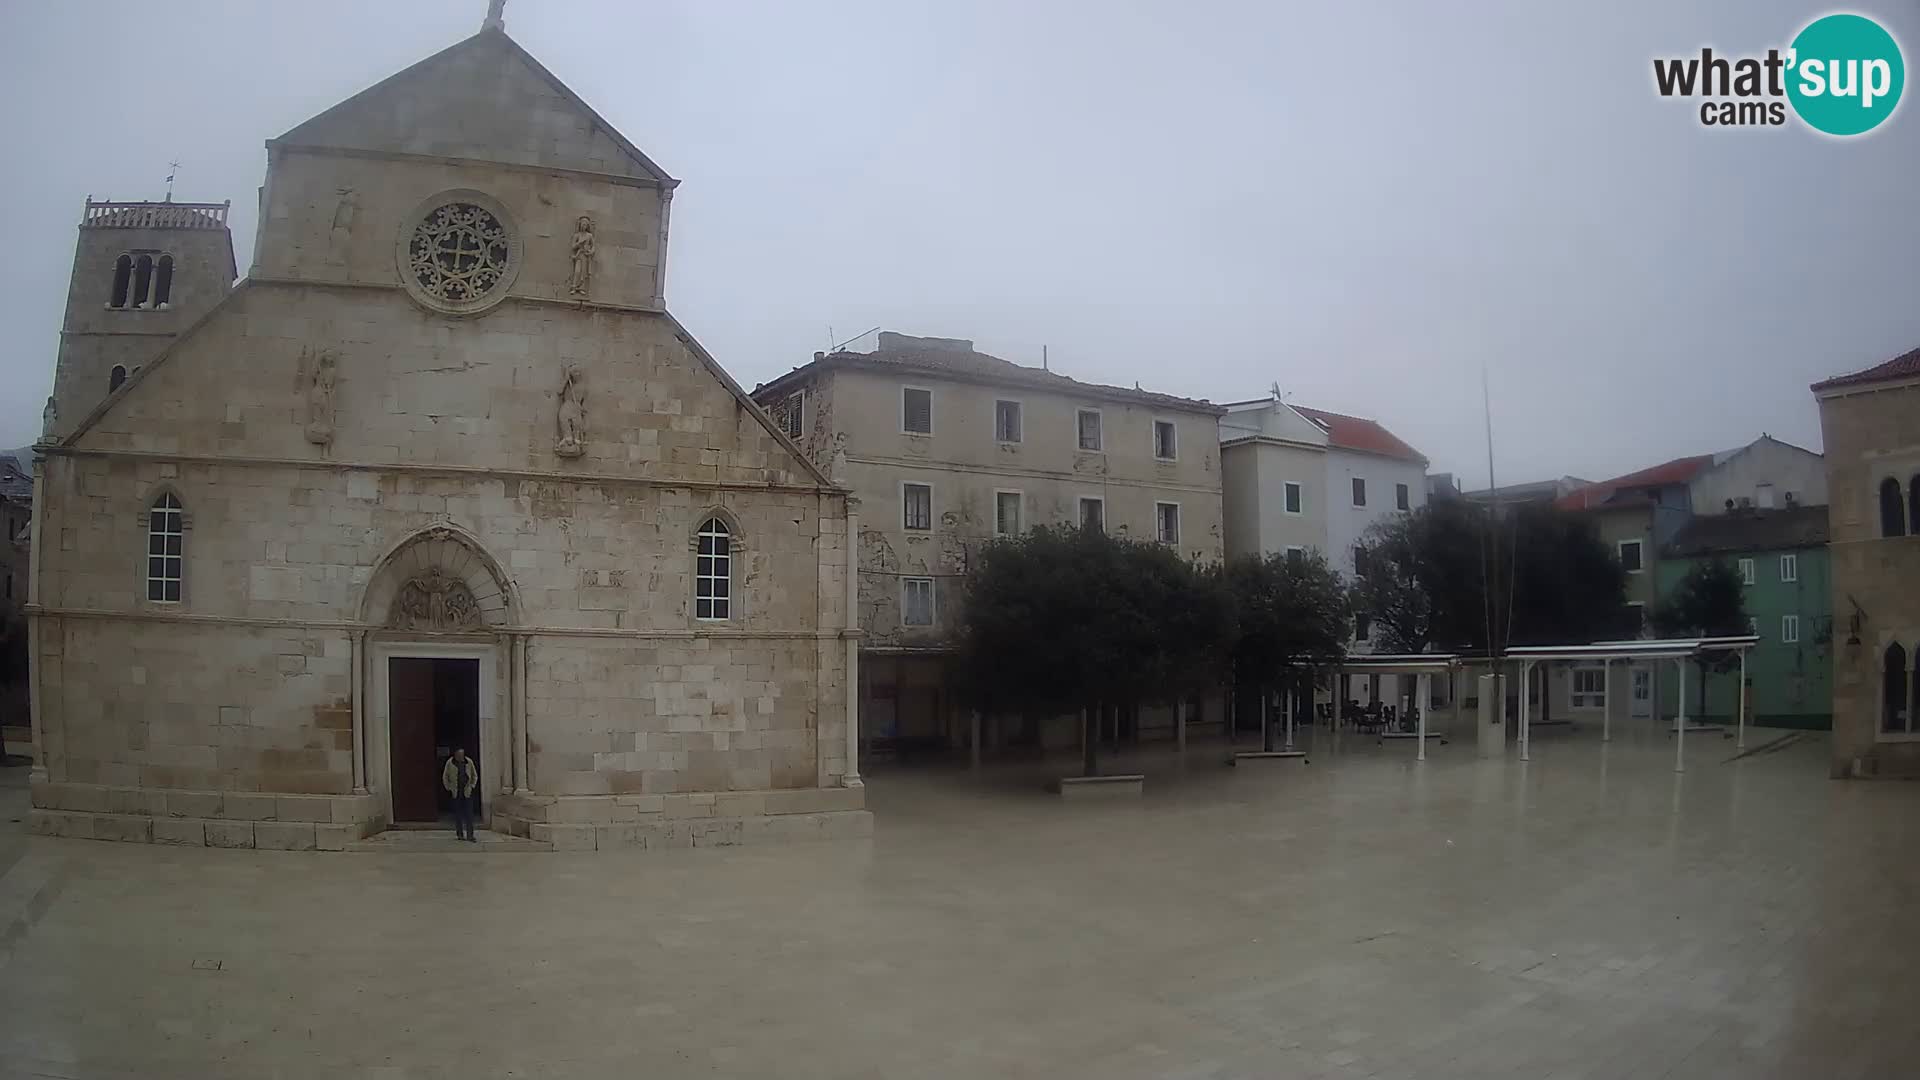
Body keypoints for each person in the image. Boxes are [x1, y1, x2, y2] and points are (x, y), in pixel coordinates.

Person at [442, 747, 479, 841]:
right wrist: (449, 787)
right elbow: (445, 776)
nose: (461, 757)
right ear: (455, 755)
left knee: (469, 815)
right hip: (456, 792)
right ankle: (460, 834)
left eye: (462, 755)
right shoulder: (450, 763)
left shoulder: (468, 762)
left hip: (467, 792)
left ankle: (470, 835)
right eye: (459, 755)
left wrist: (472, 786)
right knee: (458, 814)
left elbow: (474, 775)